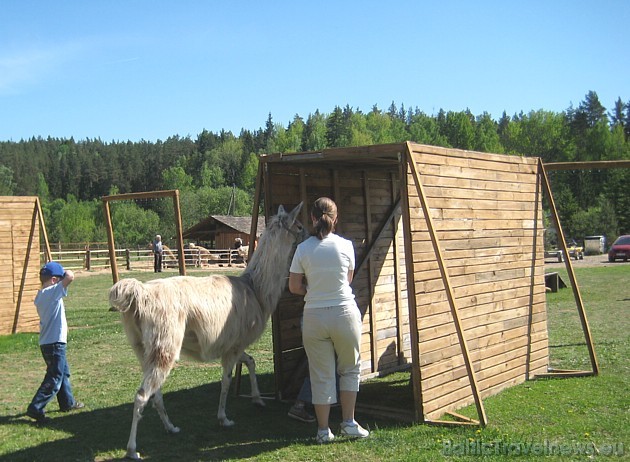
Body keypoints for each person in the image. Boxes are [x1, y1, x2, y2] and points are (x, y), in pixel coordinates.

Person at [288, 197, 369, 443]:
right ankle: (348, 423)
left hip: (314, 316)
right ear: (336, 219)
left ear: (312, 218)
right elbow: (347, 280)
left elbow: (294, 287)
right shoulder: (346, 246)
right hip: (345, 313)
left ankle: (323, 431)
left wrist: (312, 291)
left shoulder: (302, 249)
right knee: (349, 369)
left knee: (320, 374)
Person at [26, 261, 84, 423]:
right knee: (55, 376)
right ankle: (36, 407)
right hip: (55, 343)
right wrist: (66, 273)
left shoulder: (41, 295)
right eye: (59, 279)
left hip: (48, 342)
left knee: (63, 373)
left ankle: (67, 403)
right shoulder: (52, 292)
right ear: (53, 280)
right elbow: (70, 277)